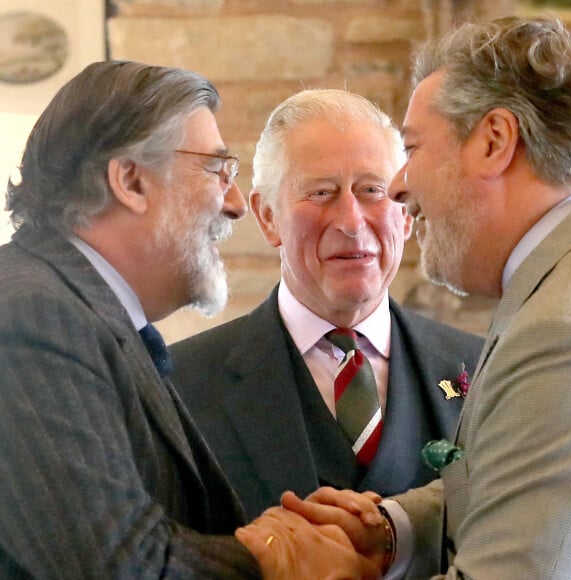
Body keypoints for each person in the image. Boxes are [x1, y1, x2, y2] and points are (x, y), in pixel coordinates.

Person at [0, 60, 383, 579]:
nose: (234, 204)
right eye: (217, 170)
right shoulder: (32, 316)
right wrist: (279, 553)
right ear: (131, 180)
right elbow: (116, 564)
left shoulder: (82, 316)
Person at [286, 14, 571, 579]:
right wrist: (390, 527)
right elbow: (516, 486)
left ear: (494, 141)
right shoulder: (549, 288)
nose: (399, 186)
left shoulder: (560, 327)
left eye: (414, 147)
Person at [170, 88, 484, 520]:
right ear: (267, 216)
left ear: (407, 213)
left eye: (372, 190)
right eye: (321, 193)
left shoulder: (482, 368)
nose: (353, 223)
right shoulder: (179, 385)